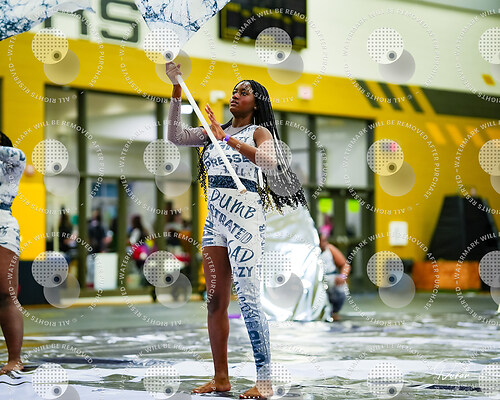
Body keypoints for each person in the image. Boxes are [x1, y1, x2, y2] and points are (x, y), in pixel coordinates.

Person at [166, 62, 307, 399]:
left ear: (256, 103)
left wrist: (226, 139)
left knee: (247, 299)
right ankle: (221, 378)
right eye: (233, 91)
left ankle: (264, 381)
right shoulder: (212, 132)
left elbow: (269, 162)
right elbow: (175, 137)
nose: (235, 95)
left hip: (245, 221)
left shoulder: (259, 133)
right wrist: (176, 90)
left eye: (243, 92)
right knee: (215, 299)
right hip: (215, 221)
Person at [0, 131, 26, 374]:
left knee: (5, 294)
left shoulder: (14, 160)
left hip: (2, 226)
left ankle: (14, 359)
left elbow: (19, 155)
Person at [319, 235, 351, 321]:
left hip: (330, 277)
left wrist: (342, 276)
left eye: (326, 240)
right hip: (316, 280)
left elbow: (345, 265)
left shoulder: (330, 249)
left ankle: (334, 311)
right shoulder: (309, 251)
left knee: (341, 288)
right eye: (323, 241)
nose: (326, 243)